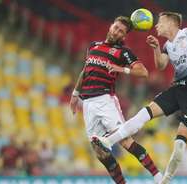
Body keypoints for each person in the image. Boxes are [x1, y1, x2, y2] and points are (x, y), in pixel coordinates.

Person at [92, 9, 187, 183]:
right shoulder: (167, 45)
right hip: (177, 89)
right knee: (144, 113)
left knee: (180, 142)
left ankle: (166, 179)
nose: (156, 25)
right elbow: (161, 65)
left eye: (160, 22)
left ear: (171, 23)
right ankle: (108, 141)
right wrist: (157, 48)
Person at [69, 16, 162, 184]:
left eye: (121, 31)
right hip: (87, 103)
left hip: (106, 100)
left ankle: (158, 176)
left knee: (125, 141)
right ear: (111, 26)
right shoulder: (93, 46)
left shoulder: (123, 52)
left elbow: (143, 72)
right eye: (116, 27)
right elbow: (85, 70)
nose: (117, 31)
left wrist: (121, 69)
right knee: (100, 152)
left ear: (123, 36)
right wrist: (75, 94)